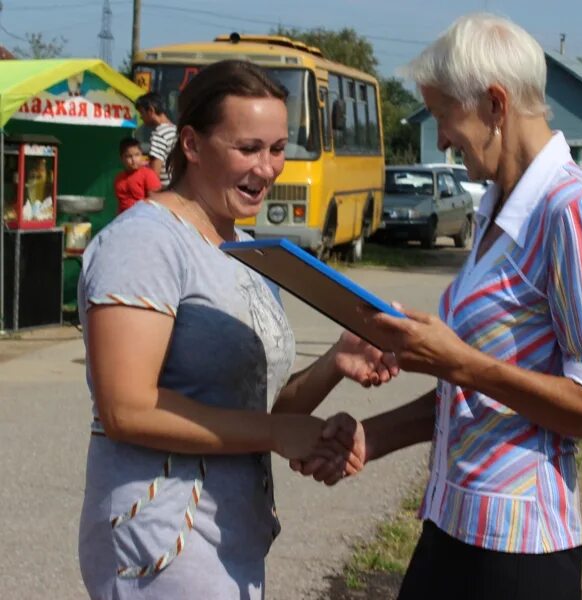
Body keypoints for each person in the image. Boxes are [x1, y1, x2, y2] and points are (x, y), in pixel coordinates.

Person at [296, 13, 582, 600]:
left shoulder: (570, 210)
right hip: (455, 528)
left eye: (445, 117)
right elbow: (478, 395)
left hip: (519, 554)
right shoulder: (496, 209)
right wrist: (371, 438)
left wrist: (456, 360)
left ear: (496, 104)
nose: (444, 138)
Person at [77, 59, 393, 599]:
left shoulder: (243, 246)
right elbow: (125, 409)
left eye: (277, 149)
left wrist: (335, 363)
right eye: (249, 148)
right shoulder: (144, 244)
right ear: (193, 146)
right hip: (159, 541)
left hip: (230, 537)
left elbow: (254, 411)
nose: (269, 168)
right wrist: (276, 434)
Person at [135, 92, 177, 188]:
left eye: (142, 112)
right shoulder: (174, 130)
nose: (141, 117)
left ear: (151, 110)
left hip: (163, 192)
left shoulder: (159, 135)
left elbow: (154, 175)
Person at [113, 137, 162, 213]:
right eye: (129, 156)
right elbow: (120, 204)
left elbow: (156, 201)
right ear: (122, 158)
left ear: (141, 155)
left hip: (143, 218)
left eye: (137, 155)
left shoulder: (148, 175)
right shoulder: (118, 179)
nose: (133, 160)